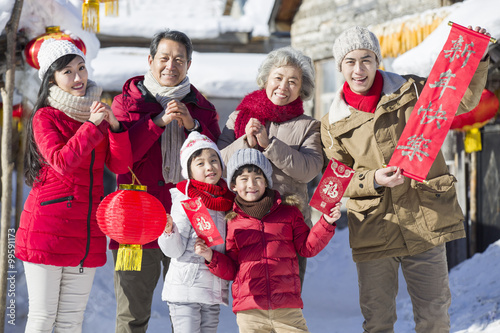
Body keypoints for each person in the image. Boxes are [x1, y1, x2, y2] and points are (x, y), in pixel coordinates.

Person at [321, 25, 491, 333]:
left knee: (435, 319)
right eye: (350, 61)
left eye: (366, 59)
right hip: (375, 228)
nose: (359, 69)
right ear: (340, 66)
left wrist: (475, 58)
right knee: (378, 323)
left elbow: (461, 100)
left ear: (377, 60)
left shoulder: (411, 90)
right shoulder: (333, 122)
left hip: (424, 219)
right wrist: (372, 179)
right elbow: (336, 180)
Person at [15, 38, 132, 332]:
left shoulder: (94, 114)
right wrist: (92, 126)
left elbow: (119, 166)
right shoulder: (45, 117)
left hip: (85, 232)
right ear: (51, 78)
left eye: (81, 68)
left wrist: (115, 128)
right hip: (48, 230)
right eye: (67, 71)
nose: (78, 77)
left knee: (71, 322)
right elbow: (61, 161)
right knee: (43, 318)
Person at [111, 29, 221, 332]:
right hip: (136, 222)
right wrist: (157, 123)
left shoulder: (203, 108)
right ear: (150, 59)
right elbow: (121, 158)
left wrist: (192, 126)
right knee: (132, 315)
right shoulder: (125, 104)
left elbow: (214, 166)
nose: (171, 66)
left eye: (179, 60)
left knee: (189, 314)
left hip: (188, 224)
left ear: (188, 65)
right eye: (164, 58)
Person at [198, 148, 340, 332]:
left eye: (258, 177)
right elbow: (233, 269)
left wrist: (326, 222)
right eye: (244, 179)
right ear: (233, 185)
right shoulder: (232, 221)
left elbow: (307, 248)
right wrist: (211, 256)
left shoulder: (289, 212)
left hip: (287, 309)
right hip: (250, 312)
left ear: (267, 181)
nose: (251, 184)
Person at [217, 46, 323, 286]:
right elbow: (218, 165)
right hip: (245, 227)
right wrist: (244, 141)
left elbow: (309, 169)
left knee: (286, 303)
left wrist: (270, 145)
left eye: (293, 81)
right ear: (266, 79)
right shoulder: (238, 118)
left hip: (289, 229)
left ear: (302, 88)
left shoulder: (308, 126)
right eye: (278, 78)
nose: (283, 87)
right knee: (249, 301)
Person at [157, 131, 234, 333]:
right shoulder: (185, 201)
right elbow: (173, 251)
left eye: (213, 160)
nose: (209, 167)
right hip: (185, 290)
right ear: (189, 172)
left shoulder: (227, 202)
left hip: (212, 290)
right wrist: (168, 231)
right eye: (200, 163)